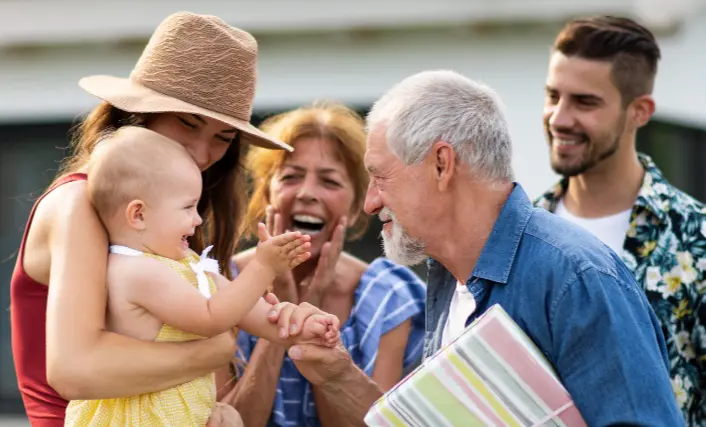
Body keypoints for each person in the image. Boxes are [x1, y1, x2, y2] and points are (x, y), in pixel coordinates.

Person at [269, 70, 685, 426]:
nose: (370, 202)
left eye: (381, 177)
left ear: (441, 164)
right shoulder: (449, 275)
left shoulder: (576, 278)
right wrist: (339, 376)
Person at [9, 11, 323, 426]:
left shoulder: (167, 223)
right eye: (187, 124)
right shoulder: (79, 203)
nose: (201, 152)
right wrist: (214, 349)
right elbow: (74, 369)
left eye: (223, 139)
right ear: (139, 114)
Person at [63, 126, 340, 426]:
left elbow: (248, 311)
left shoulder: (184, 263)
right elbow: (212, 319)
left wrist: (294, 323)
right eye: (187, 207)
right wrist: (263, 267)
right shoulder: (134, 271)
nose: (197, 220)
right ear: (138, 215)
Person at [533, 16, 705, 425]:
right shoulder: (522, 234)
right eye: (553, 96)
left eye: (585, 102)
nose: (559, 117)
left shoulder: (695, 240)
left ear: (639, 112)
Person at [217, 102, 426, 427]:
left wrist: (312, 326)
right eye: (291, 177)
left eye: (329, 182)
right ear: (267, 194)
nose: (307, 193)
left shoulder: (390, 297)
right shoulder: (219, 283)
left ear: (358, 205)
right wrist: (282, 322)